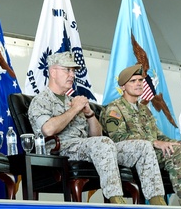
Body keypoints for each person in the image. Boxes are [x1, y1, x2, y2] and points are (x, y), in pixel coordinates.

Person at [27, 52, 167, 205]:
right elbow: (48, 130)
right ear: (53, 72)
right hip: (60, 149)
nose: (72, 75)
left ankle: (157, 201)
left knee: (143, 146)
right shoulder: (41, 101)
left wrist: (89, 114)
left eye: (74, 71)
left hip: (88, 147)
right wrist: (75, 109)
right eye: (67, 70)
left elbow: (96, 135)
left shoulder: (74, 100)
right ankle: (116, 200)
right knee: (103, 143)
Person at [102, 64, 181, 207]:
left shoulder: (144, 110)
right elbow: (117, 139)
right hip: (137, 155)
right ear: (123, 87)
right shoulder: (115, 108)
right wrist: (153, 142)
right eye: (133, 81)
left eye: (140, 80)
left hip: (156, 152)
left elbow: (160, 136)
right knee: (177, 152)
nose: (138, 84)